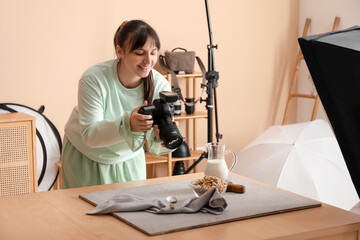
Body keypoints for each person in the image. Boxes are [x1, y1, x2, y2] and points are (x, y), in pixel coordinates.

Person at [61, 20, 174, 189]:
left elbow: (154, 143)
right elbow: (90, 134)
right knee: (82, 213)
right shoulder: (94, 79)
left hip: (129, 158)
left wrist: (161, 138)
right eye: (139, 53)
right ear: (119, 51)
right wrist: (128, 124)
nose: (148, 61)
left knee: (133, 211)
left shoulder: (159, 84)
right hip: (86, 156)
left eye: (153, 52)